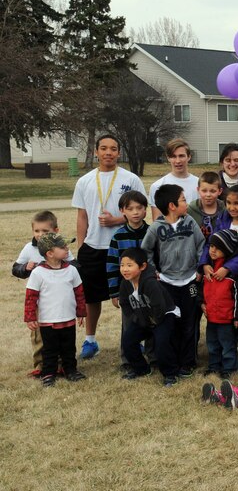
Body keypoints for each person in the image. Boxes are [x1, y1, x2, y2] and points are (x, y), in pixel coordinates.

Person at [72, 133, 146, 359]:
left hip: (124, 245)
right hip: (93, 247)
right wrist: (82, 247)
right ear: (96, 152)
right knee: (92, 297)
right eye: (103, 148)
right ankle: (90, 340)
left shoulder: (131, 179)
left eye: (113, 149)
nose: (108, 153)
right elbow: (82, 216)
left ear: (119, 152)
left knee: (134, 294)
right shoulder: (84, 181)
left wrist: (116, 220)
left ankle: (138, 339)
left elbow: (139, 211)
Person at [141, 184, 205, 377]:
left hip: (190, 281)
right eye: (183, 200)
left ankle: (188, 362)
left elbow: (201, 244)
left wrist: (199, 268)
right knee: (171, 324)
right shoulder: (156, 227)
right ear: (172, 205)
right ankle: (172, 361)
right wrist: (154, 271)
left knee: (189, 323)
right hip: (167, 283)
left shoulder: (190, 222)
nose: (186, 202)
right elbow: (146, 251)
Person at [198, 183, 238, 369]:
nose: (232, 207)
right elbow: (211, 242)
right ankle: (224, 353)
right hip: (219, 277)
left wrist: (228, 267)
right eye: (228, 203)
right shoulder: (223, 217)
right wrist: (205, 264)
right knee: (224, 317)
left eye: (237, 203)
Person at [13, 211, 73, 378]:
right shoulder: (29, 248)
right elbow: (15, 269)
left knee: (60, 333)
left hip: (58, 299)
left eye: (45, 231)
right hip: (39, 301)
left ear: (56, 230)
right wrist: (24, 268)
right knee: (39, 335)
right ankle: (41, 365)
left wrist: (63, 263)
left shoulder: (61, 247)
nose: (40, 234)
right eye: (37, 231)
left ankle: (61, 365)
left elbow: (75, 266)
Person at [24, 233, 87, 387]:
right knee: (49, 349)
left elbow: (79, 292)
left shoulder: (71, 270)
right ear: (50, 253)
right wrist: (30, 317)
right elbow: (31, 297)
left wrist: (81, 313)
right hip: (48, 321)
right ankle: (48, 373)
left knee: (69, 347)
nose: (67, 249)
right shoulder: (38, 273)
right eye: (62, 247)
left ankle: (70, 370)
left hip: (68, 319)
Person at [118, 248, 180, 386]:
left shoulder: (150, 282)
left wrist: (154, 322)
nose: (125, 269)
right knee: (128, 340)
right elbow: (124, 303)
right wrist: (136, 319)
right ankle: (141, 369)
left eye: (129, 265)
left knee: (161, 343)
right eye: (122, 265)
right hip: (143, 318)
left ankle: (170, 374)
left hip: (163, 317)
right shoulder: (125, 284)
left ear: (142, 266)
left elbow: (160, 306)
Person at [106, 190, 150, 368]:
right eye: (130, 209)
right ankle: (128, 360)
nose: (135, 212)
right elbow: (112, 265)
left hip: (149, 286)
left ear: (145, 209)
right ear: (122, 211)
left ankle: (154, 356)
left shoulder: (151, 232)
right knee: (129, 323)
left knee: (152, 321)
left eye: (139, 208)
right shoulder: (118, 236)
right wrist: (114, 292)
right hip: (127, 288)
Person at [202, 229, 238, 378]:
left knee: (228, 345)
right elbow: (201, 290)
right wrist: (201, 304)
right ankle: (214, 366)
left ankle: (229, 368)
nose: (212, 250)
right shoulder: (208, 270)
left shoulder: (233, 273)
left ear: (227, 249)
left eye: (217, 248)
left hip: (226, 319)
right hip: (211, 317)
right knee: (212, 344)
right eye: (211, 246)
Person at [148, 138, 200, 220]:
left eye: (181, 156)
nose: (178, 161)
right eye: (173, 156)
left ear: (189, 157)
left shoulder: (199, 184)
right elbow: (157, 221)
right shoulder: (158, 186)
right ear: (168, 158)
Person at [187, 171, 225, 241]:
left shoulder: (225, 210)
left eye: (213, 191)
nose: (208, 195)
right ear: (198, 190)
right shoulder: (189, 211)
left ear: (220, 191)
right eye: (204, 191)